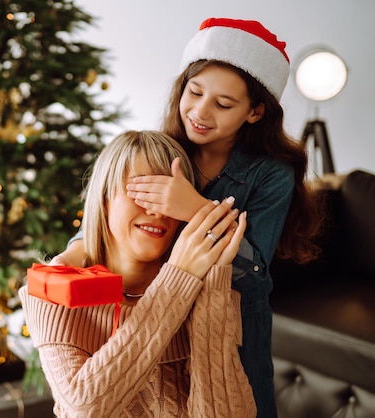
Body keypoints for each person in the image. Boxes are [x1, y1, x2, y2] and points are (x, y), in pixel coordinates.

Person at [51, 18, 322, 417]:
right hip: (165, 313)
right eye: (194, 92)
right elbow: (113, 209)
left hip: (235, 330)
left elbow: (255, 272)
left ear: (255, 111)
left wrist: (194, 207)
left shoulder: (271, 173)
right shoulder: (165, 149)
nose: (200, 111)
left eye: (223, 104)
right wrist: (76, 250)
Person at [20, 130, 256, 417]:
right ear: (105, 197)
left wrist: (213, 279)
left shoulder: (208, 289)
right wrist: (177, 279)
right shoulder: (55, 292)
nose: (157, 212)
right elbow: (85, 409)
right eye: (145, 192)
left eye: (170, 199)